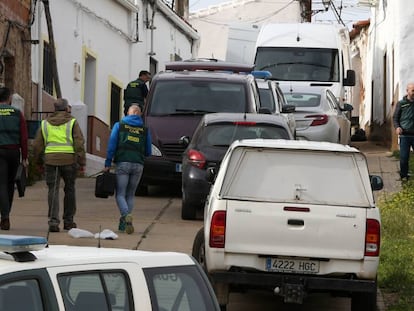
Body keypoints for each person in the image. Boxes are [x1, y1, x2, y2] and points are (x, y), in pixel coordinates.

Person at [33, 98, 86, 232]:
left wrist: (38, 161)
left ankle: (53, 222)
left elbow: (37, 145)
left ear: (54, 108)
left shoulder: (45, 123)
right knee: (70, 190)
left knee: (53, 190)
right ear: (67, 108)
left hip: (51, 161)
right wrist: (81, 161)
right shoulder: (72, 122)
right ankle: (68, 221)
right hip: (69, 161)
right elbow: (79, 142)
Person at [104, 104, 151, 234]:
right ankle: (124, 222)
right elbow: (148, 151)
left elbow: (111, 145)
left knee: (120, 194)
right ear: (140, 114)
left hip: (123, 163)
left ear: (127, 113)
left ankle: (126, 216)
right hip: (138, 165)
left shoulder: (119, 125)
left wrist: (108, 163)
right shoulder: (145, 129)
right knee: (130, 194)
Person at [0, 87, 28, 230]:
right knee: (10, 184)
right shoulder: (17, 114)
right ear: (9, 98)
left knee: (1, 184)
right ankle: (6, 215)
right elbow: (24, 137)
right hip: (13, 152)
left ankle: (4, 216)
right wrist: (25, 157)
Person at [393, 82, 414, 181]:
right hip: (405, 135)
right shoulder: (401, 104)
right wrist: (397, 127)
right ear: (408, 91)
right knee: (404, 158)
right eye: (413, 90)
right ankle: (404, 176)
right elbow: (395, 118)